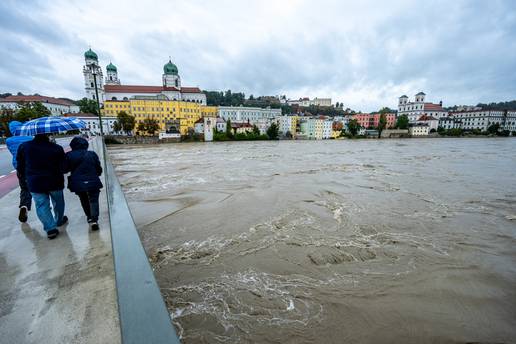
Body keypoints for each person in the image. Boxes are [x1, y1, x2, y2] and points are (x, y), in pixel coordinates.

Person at [18, 133, 67, 239]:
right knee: (58, 203)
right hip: (55, 181)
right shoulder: (56, 148)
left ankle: (50, 229)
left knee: (41, 205)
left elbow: (20, 165)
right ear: (48, 135)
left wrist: (24, 177)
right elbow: (64, 166)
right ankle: (59, 220)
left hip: (35, 182)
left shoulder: (24, 146)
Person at [63, 137, 103, 231]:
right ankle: (94, 220)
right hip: (93, 180)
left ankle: (89, 217)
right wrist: (97, 174)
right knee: (93, 199)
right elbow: (98, 167)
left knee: (83, 198)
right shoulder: (92, 154)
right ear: (86, 144)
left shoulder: (69, 155)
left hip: (77, 182)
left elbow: (65, 169)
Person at [6, 121, 33, 222]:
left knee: (24, 188)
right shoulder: (30, 138)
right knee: (37, 187)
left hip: (19, 167)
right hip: (31, 166)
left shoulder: (9, 141)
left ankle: (24, 206)